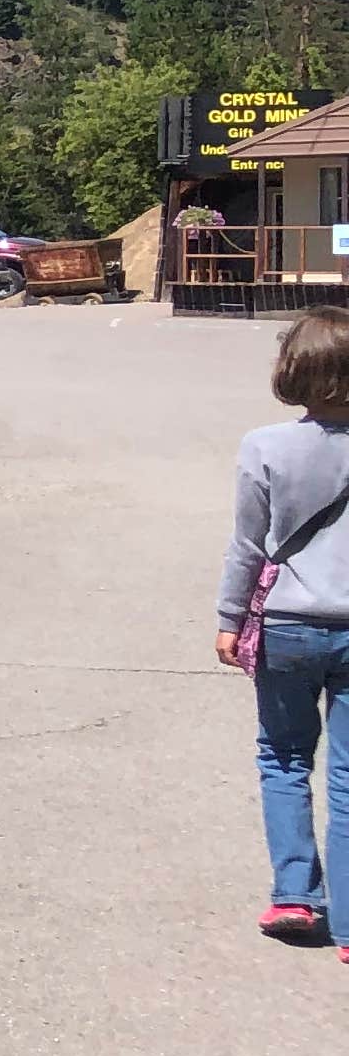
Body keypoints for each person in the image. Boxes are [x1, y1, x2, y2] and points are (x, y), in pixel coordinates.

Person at [216, 307, 349, 952]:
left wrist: (229, 618)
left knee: (285, 755)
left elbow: (247, 545)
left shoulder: (265, 446)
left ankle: (296, 894)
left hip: (289, 626)